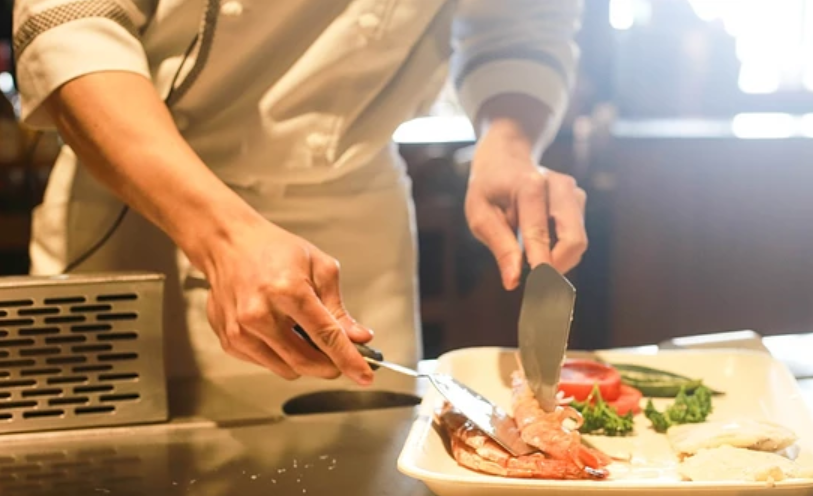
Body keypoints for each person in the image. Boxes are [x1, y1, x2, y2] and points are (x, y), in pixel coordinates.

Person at [12, 0, 589, 390]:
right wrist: (221, 237)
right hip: (147, 197)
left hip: (357, 216)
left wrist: (509, 143)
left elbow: (521, 24)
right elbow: (72, 27)